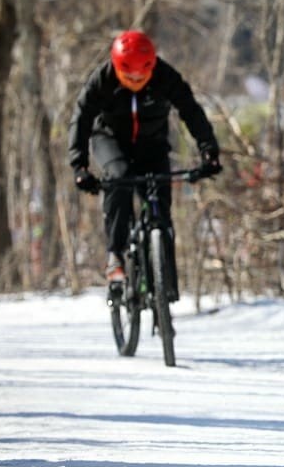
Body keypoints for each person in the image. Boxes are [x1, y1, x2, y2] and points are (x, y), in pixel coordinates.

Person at [68, 30, 222, 298]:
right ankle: (115, 255)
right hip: (110, 141)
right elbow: (81, 119)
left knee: (161, 208)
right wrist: (79, 166)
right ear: (117, 68)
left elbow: (190, 110)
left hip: (152, 146)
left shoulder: (165, 75)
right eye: (129, 77)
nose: (137, 81)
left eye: (143, 75)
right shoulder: (102, 80)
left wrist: (209, 151)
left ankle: (165, 285)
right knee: (119, 177)